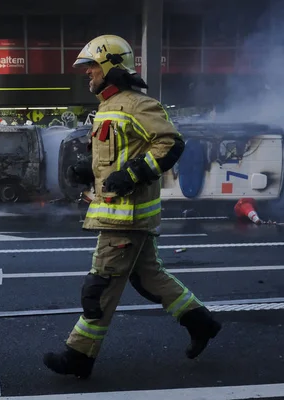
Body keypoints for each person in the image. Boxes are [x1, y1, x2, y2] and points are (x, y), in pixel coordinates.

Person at [43, 35, 222, 379]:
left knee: (100, 288)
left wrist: (135, 173)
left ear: (111, 65)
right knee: (149, 276)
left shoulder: (138, 105)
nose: (87, 74)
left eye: (92, 66)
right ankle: (202, 323)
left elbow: (170, 143)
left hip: (127, 217)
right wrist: (90, 171)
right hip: (117, 214)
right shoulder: (109, 108)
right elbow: (117, 161)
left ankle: (79, 355)